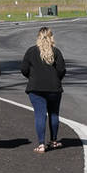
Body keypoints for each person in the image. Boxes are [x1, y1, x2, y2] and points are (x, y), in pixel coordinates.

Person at [20, 24, 67, 152]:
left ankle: (41, 144)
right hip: (54, 88)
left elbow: (24, 69)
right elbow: (62, 70)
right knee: (54, 114)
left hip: (35, 88)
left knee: (40, 115)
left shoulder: (31, 51)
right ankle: (54, 140)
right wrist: (56, 79)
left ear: (38, 37)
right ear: (51, 37)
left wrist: (32, 77)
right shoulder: (56, 52)